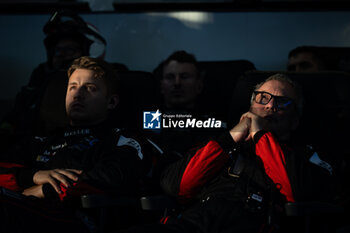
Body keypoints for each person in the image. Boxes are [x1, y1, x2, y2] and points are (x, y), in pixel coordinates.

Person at [128, 73, 337, 233]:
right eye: (262, 98)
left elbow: (294, 193)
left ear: (295, 121)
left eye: (282, 102)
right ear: (250, 107)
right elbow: (176, 186)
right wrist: (230, 138)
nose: (270, 105)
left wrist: (260, 135)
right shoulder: (218, 144)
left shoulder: (306, 156)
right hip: (193, 222)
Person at [0, 56, 156, 233]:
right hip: (24, 211)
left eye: (90, 89)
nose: (77, 94)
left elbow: (112, 176)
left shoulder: (122, 139)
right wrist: (32, 176)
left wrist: (45, 190)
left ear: (111, 102)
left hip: (78, 219)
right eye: (72, 87)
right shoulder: (41, 141)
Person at [0, 11, 110, 145]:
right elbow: (17, 114)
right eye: (58, 51)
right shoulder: (41, 76)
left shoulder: (104, 75)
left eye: (70, 50)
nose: (63, 55)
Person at [148, 50, 225, 168]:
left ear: (199, 85)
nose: (177, 83)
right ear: (161, 86)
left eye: (184, 77)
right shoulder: (147, 121)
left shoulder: (215, 125)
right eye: (170, 77)